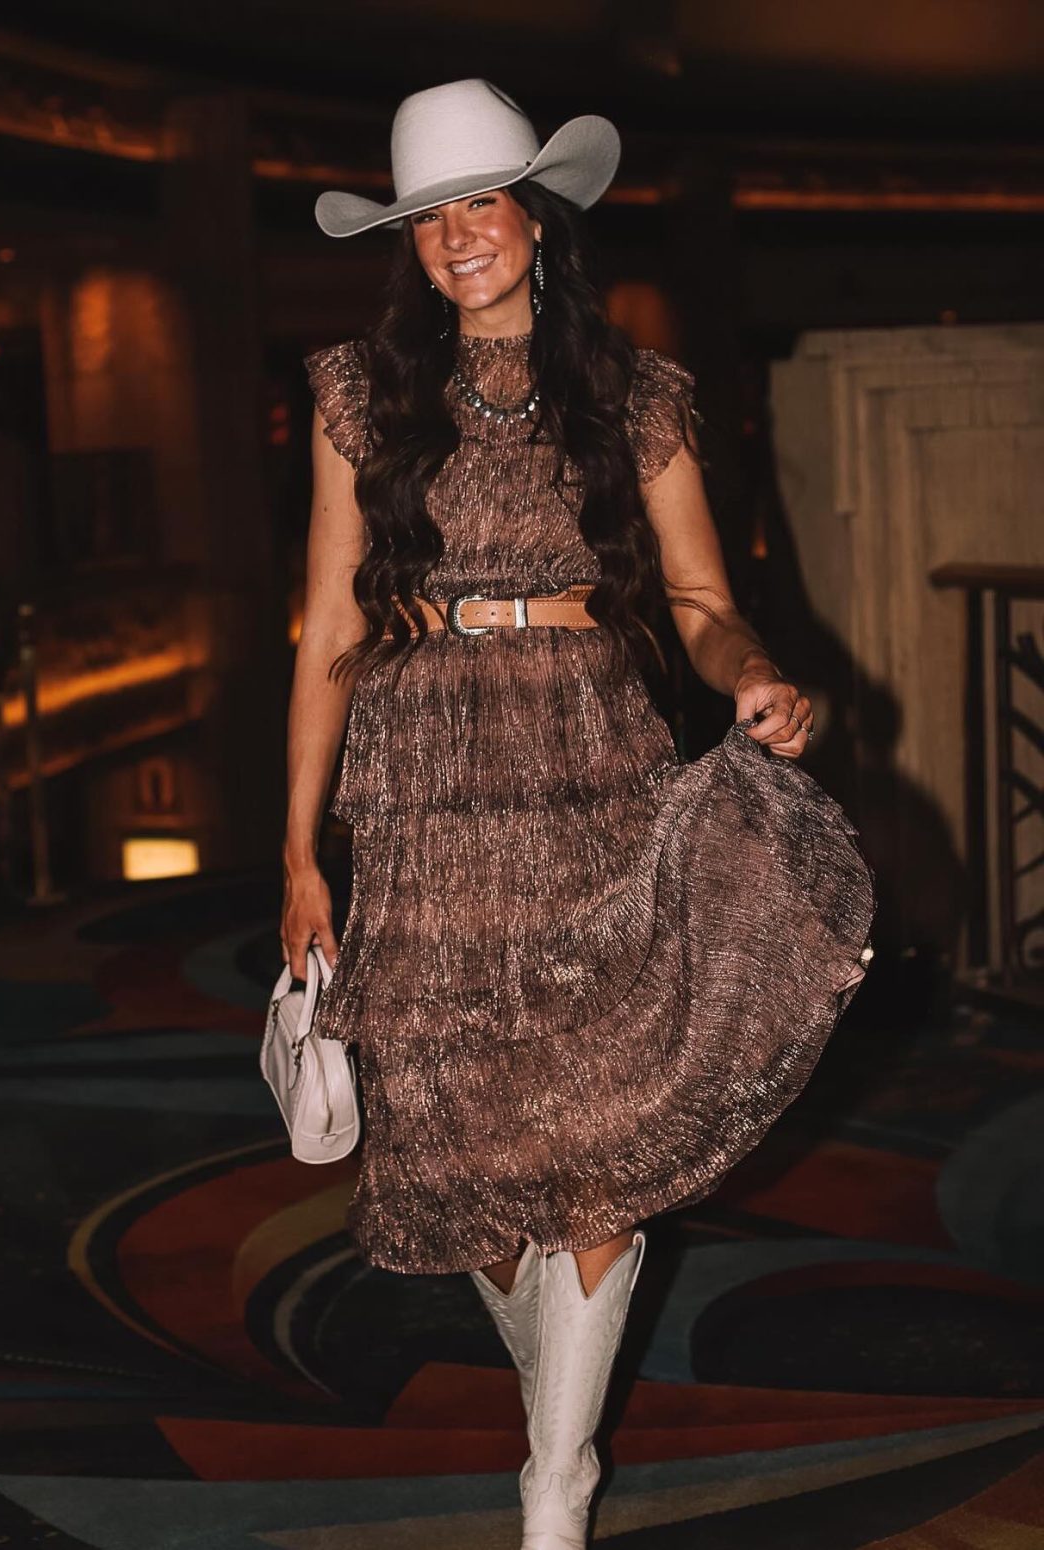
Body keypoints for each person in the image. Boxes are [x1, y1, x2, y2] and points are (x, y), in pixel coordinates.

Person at [282, 78, 875, 1550]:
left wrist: (755, 680)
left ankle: (557, 1478)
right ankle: (564, 1407)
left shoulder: (639, 395)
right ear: (411, 244)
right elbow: (323, 626)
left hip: (592, 762)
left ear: (538, 217)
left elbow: (700, 605)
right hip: (420, 784)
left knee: (599, 1130)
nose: (459, 236)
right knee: (472, 1156)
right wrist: (298, 849)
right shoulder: (360, 393)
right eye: (431, 217)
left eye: (483, 201)